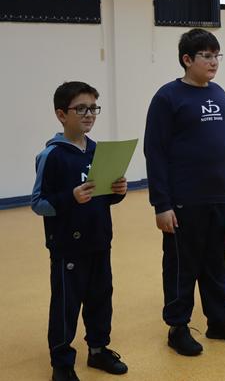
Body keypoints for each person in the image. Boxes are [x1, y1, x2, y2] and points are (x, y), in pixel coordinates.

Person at [144, 28, 225, 357]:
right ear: (187, 59)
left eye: (217, 55)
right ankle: (178, 327)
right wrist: (161, 204)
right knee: (182, 266)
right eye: (206, 56)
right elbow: (155, 153)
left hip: (220, 197)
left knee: (215, 264)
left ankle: (219, 321)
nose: (213, 62)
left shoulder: (221, 94)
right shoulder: (168, 98)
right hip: (183, 201)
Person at [31, 81, 128, 381]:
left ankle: (98, 350)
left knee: (101, 298)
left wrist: (117, 192)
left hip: (99, 239)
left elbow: (101, 196)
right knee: (66, 305)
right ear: (61, 114)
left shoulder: (98, 150)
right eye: (81, 109)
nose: (89, 115)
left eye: (93, 108)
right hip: (68, 246)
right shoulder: (51, 155)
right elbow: (38, 203)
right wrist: (70, 198)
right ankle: (61, 363)